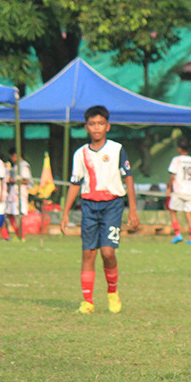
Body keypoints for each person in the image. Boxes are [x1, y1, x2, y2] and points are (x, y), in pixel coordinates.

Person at [60, 105, 140, 314]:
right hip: (89, 206)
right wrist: (65, 212)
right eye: (93, 124)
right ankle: (88, 301)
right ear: (86, 127)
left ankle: (112, 292)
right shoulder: (80, 154)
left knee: (107, 252)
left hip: (112, 205)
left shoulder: (116, 149)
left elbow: (128, 178)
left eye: (101, 124)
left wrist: (133, 210)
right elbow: (75, 183)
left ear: (108, 126)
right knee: (88, 253)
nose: (97, 128)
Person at [166, 138, 191, 245]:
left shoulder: (177, 160)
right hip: (190, 190)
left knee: (172, 211)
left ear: (179, 149)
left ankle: (177, 234)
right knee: (188, 213)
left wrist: (169, 188)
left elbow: (172, 175)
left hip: (179, 189)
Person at [5, 149, 33, 240]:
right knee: (10, 213)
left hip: (20, 193)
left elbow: (26, 180)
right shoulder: (16, 166)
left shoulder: (24, 166)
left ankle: (22, 235)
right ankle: (18, 234)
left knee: (19, 215)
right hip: (13, 193)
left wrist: (13, 181)